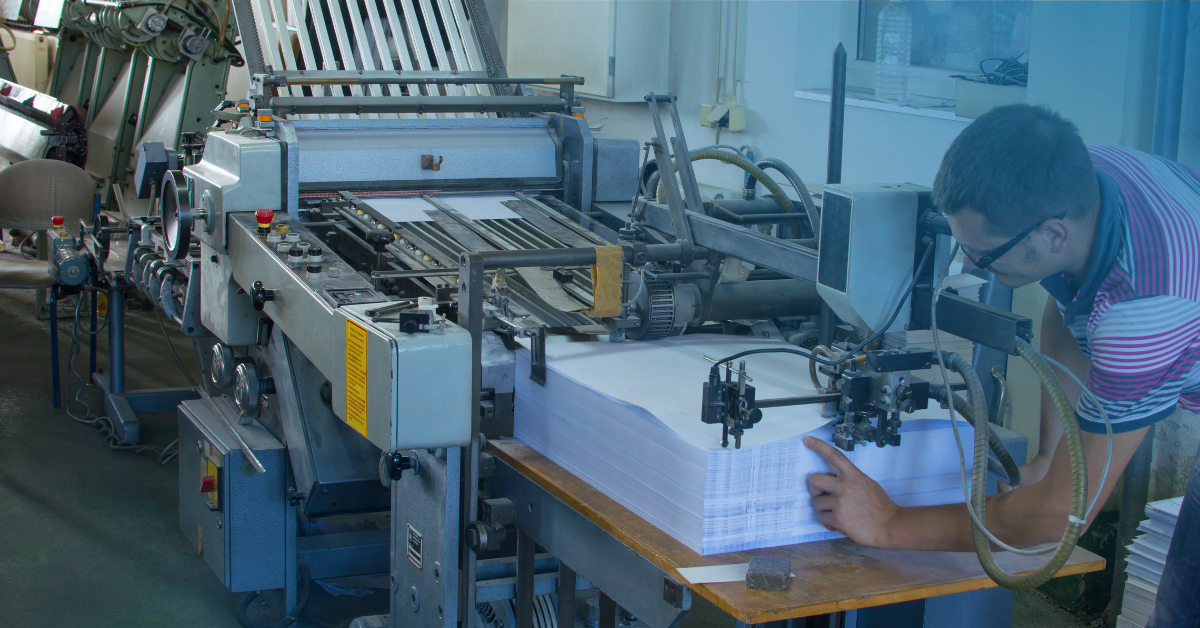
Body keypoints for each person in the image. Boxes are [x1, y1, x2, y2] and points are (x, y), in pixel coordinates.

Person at [802, 104, 1200, 628]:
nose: (969, 266)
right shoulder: (1088, 180)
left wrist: (891, 524)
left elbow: (1064, 514)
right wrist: (1050, 453)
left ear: (1053, 234)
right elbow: (1070, 301)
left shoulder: (1145, 311)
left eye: (982, 256)